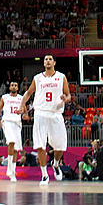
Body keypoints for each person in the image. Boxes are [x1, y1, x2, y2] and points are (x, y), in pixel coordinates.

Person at [18, 55, 69, 185]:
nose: (47, 61)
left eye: (50, 59)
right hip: (40, 113)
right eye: (45, 59)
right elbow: (28, 93)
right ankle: (44, 175)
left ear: (54, 62)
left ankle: (56, 164)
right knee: (40, 145)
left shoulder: (61, 77)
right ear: (44, 63)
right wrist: (22, 105)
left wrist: (65, 98)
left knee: (60, 147)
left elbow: (68, 95)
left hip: (56, 113)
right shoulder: (38, 78)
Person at [0, 80, 25, 182]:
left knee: (16, 149)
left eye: (16, 85)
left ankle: (12, 171)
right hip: (7, 121)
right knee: (11, 142)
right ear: (9, 87)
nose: (14, 87)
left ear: (18, 88)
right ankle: (9, 169)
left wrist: (22, 112)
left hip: (17, 123)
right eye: (12, 85)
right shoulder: (5, 97)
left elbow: (24, 110)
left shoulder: (21, 98)